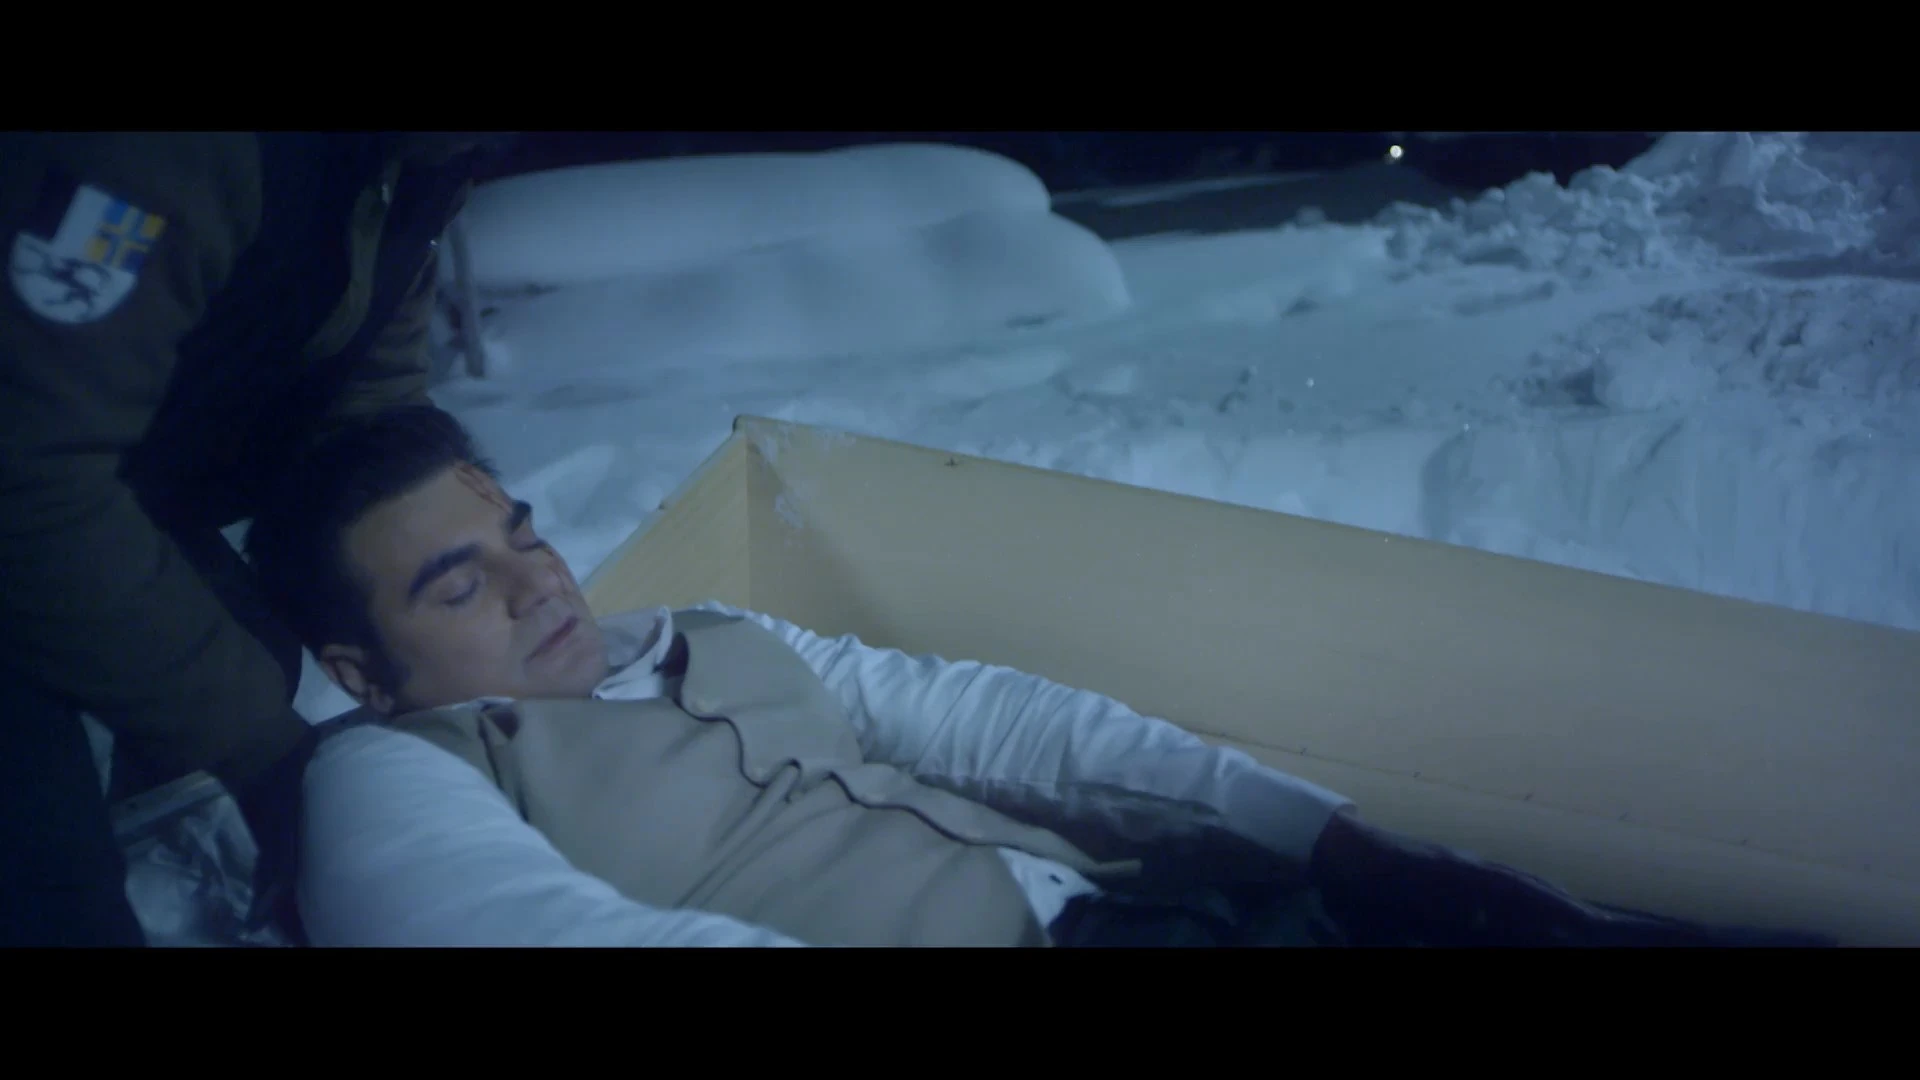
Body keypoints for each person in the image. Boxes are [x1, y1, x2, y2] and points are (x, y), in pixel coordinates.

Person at [244, 406, 1833, 947]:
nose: (540, 582)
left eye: (522, 533)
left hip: (1167, 912)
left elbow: (1009, 728)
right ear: (360, 672)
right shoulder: (395, 772)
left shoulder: (705, 633)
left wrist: (1319, 835)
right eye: (460, 583)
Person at [0, 131, 511, 946]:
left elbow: (369, 398)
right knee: (56, 892)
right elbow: (29, 478)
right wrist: (259, 750)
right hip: (40, 495)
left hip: (123, 486)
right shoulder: (160, 157)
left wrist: (461, 566)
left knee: (255, 668)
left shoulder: (424, 158)